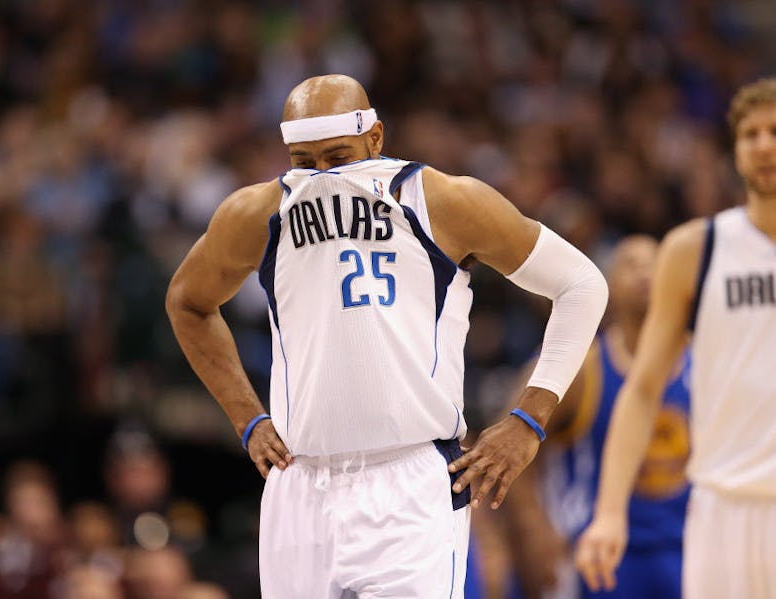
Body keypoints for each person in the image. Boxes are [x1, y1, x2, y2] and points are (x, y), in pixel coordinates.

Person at [165, 74, 609, 598]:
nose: (325, 175)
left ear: (375, 137)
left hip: (410, 483)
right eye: (305, 161)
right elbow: (188, 302)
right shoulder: (257, 213)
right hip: (300, 484)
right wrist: (247, 418)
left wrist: (529, 419)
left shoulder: (443, 200)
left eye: (338, 156)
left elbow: (582, 284)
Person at [574, 77, 776, 599]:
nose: (764, 145)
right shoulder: (696, 250)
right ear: (735, 151)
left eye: (775, 132)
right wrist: (610, 512)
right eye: (750, 134)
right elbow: (644, 388)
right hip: (721, 505)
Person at [501, 235, 690, 599]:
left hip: (685, 545)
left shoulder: (702, 363)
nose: (644, 273)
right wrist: (534, 526)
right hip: (599, 553)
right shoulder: (581, 366)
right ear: (609, 286)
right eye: (631, 264)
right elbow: (511, 439)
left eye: (654, 264)